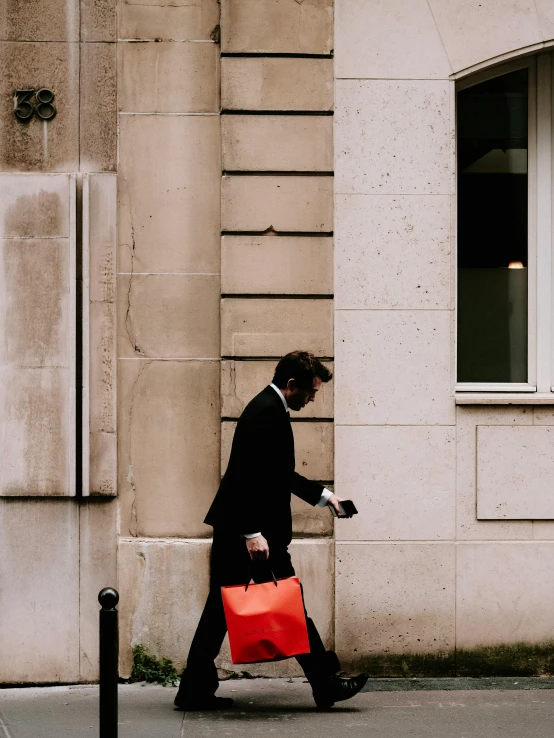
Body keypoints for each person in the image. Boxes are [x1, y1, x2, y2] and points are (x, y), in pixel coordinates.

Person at [174, 351, 367, 711]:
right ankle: (325, 685)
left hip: (245, 531)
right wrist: (251, 532)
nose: (313, 398)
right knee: (288, 605)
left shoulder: (269, 408)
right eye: (310, 391)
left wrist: (326, 497)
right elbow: (246, 476)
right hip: (251, 535)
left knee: (220, 612)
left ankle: (193, 690)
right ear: (291, 385)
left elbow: (278, 473)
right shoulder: (265, 411)